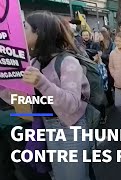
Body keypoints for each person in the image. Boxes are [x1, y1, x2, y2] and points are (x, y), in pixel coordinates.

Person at [0, 11, 92, 180]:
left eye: (25, 26)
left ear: (40, 32)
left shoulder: (68, 62)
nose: (20, 31)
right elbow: (23, 101)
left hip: (71, 131)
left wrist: (41, 82)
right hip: (47, 128)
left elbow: (72, 105)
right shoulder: (33, 63)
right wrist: (4, 85)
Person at [100, 29, 115, 107]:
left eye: (100, 35)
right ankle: (110, 102)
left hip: (108, 67)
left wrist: (101, 56)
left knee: (110, 84)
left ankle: (113, 102)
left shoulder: (110, 44)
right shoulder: (98, 44)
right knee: (106, 86)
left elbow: (111, 56)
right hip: (101, 67)